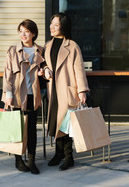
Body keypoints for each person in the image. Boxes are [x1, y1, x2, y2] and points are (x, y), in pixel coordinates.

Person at [43, 12, 89, 171]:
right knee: (56, 122)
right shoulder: (47, 45)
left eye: (56, 25)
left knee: (66, 124)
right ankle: (58, 153)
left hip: (68, 90)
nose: (52, 27)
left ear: (64, 26)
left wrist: (82, 90)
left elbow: (79, 69)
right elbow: (41, 63)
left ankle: (69, 157)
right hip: (53, 90)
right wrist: (45, 68)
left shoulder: (72, 45)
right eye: (51, 24)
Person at [1, 19, 45, 175]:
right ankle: (18, 160)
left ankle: (32, 161)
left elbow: (46, 67)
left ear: (33, 33)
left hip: (32, 94)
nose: (23, 34)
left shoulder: (40, 50)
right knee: (16, 128)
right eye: (20, 31)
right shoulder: (13, 50)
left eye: (26, 31)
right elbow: (7, 74)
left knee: (32, 129)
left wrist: (44, 71)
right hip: (16, 95)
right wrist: (8, 93)